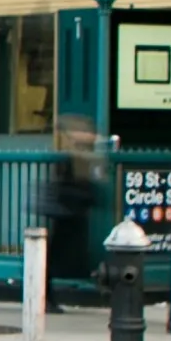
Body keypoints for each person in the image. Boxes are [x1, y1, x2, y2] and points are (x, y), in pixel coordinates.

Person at [42, 117, 103, 289]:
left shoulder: (81, 157)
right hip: (68, 214)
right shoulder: (73, 157)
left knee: (59, 255)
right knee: (57, 255)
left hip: (71, 214)